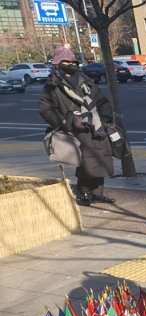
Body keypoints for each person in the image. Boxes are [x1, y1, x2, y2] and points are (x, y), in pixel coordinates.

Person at [40, 45, 116, 206]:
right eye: (66, 61)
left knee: (101, 158)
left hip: (95, 126)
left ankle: (98, 192)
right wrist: (64, 123)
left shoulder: (85, 81)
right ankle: (84, 191)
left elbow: (101, 100)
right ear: (58, 64)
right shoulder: (53, 85)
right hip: (74, 128)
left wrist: (106, 118)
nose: (70, 64)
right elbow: (46, 109)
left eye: (72, 61)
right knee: (85, 161)